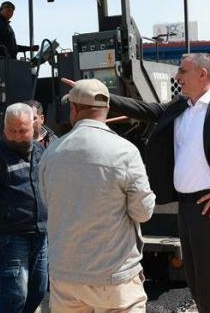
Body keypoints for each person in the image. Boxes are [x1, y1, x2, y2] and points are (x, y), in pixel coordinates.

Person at [92, 53, 210, 313]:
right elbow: (147, 110)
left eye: (182, 71)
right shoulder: (182, 105)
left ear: (202, 74)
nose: (177, 77)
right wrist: (101, 97)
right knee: (195, 281)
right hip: (185, 206)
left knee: (209, 283)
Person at [40, 78, 155, 312]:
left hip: (65, 275)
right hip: (113, 275)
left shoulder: (51, 153)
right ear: (107, 109)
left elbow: (47, 202)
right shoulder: (124, 151)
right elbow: (143, 213)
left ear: (74, 109)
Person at [0, 103, 48, 313]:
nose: (16, 136)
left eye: (22, 131)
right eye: (11, 130)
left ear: (34, 126)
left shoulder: (41, 151)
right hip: (11, 238)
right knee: (15, 295)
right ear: (4, 128)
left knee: (39, 290)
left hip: (40, 235)